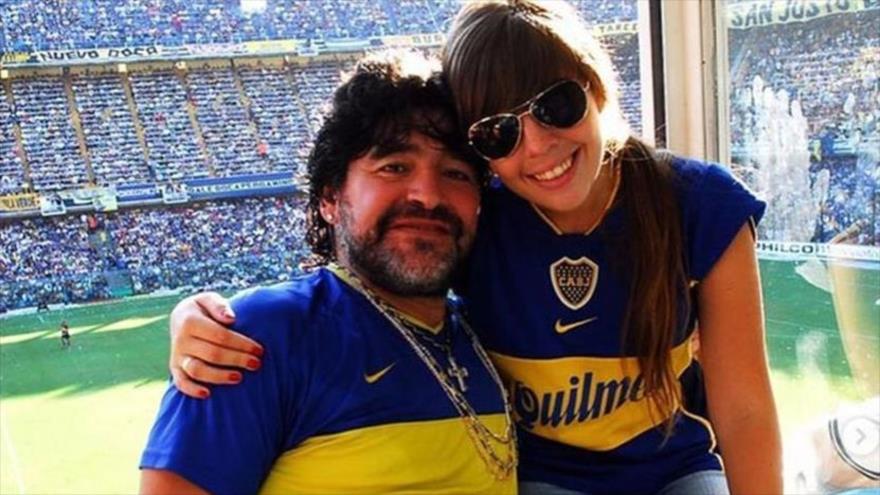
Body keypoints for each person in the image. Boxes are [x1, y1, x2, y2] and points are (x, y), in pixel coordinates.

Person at [166, 1, 782, 494]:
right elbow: (368, 277)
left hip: (675, 469)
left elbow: (745, 407)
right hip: (546, 477)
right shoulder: (482, 216)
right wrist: (198, 318)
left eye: (556, 105)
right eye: (498, 132)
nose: (536, 146)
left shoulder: (698, 203)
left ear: (598, 89)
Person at [139, 50, 517, 495]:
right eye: (394, 167)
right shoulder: (259, 336)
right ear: (329, 198)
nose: (428, 195)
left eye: (456, 173)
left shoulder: (490, 334)